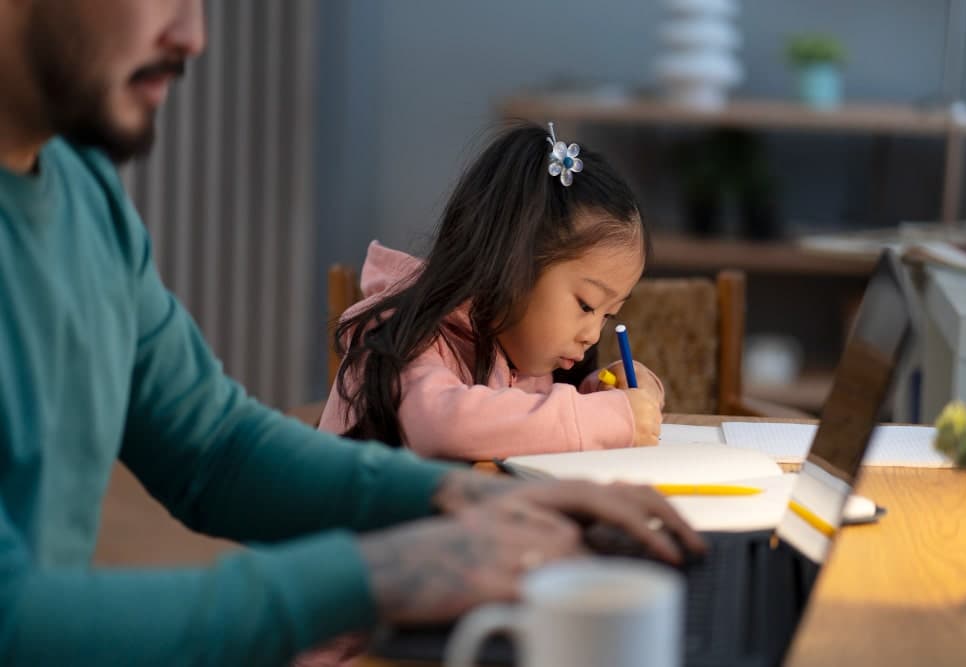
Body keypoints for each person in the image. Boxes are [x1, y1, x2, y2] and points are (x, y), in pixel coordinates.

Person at [0, 1, 705, 665]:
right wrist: (376, 571)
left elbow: (215, 447)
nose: (194, 34)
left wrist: (463, 498)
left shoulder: (84, 192)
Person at [319, 123, 665, 459]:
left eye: (608, 315)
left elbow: (515, 422)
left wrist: (601, 394)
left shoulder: (524, 358)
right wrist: (605, 419)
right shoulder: (404, 332)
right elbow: (442, 426)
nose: (592, 334)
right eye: (587, 306)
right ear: (513, 262)